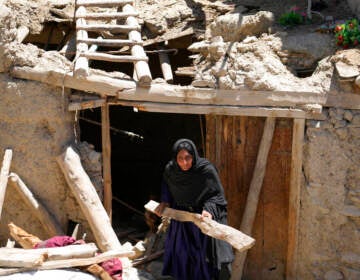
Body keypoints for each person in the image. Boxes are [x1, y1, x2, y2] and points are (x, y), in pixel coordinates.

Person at [155, 138, 234, 280]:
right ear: (175, 158)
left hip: (201, 219)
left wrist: (208, 210)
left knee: (203, 258)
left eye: (188, 158)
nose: (184, 163)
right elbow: (166, 186)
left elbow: (216, 194)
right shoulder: (171, 170)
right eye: (180, 158)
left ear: (194, 156)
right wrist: (165, 201)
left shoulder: (205, 169)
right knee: (182, 256)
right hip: (182, 221)